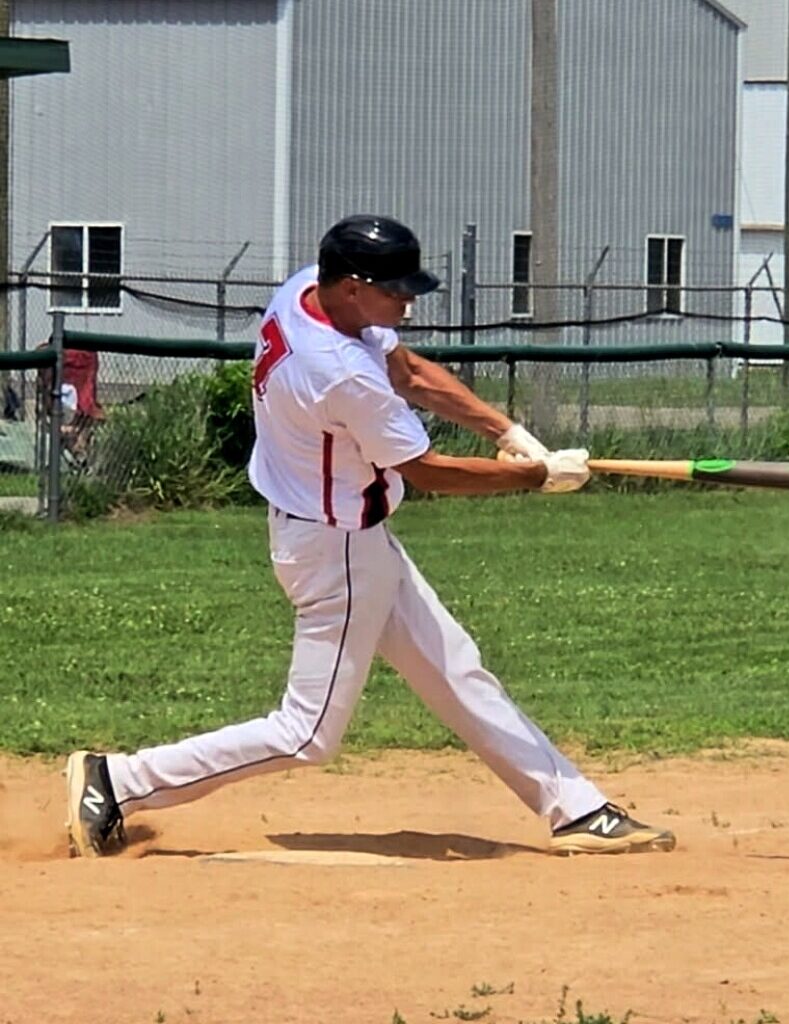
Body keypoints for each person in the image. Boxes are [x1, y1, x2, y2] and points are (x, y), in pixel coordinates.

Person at [65, 214, 675, 859]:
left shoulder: (307, 291)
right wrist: (536, 477)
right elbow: (427, 472)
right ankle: (120, 780)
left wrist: (506, 434)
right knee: (307, 734)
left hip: (347, 538)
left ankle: (575, 808)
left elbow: (408, 371)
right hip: (335, 552)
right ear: (354, 286)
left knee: (457, 672)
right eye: (396, 290)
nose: (407, 302)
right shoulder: (339, 372)